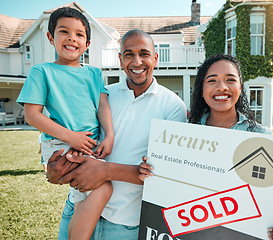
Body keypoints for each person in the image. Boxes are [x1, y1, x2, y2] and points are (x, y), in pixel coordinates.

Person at [45, 29, 187, 239]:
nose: (137, 61)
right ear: (120, 60)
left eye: (144, 54)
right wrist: (56, 171)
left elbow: (165, 174)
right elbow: (76, 140)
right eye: (129, 54)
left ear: (156, 58)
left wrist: (105, 171)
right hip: (78, 207)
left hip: (124, 224)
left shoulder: (173, 106)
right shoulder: (103, 94)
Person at [139, 53, 273, 240]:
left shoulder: (263, 139)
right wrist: (153, 174)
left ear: (240, 86)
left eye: (230, 80)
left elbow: (272, 206)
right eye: (212, 81)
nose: (222, 87)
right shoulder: (181, 138)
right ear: (202, 89)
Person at [17, 7, 114, 240]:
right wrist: (72, 137)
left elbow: (102, 106)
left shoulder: (93, 74)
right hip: (61, 143)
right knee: (103, 187)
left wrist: (109, 135)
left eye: (79, 34)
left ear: (87, 43)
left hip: (89, 143)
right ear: (51, 37)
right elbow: (32, 115)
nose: (72, 38)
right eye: (64, 31)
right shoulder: (42, 71)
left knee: (83, 196)